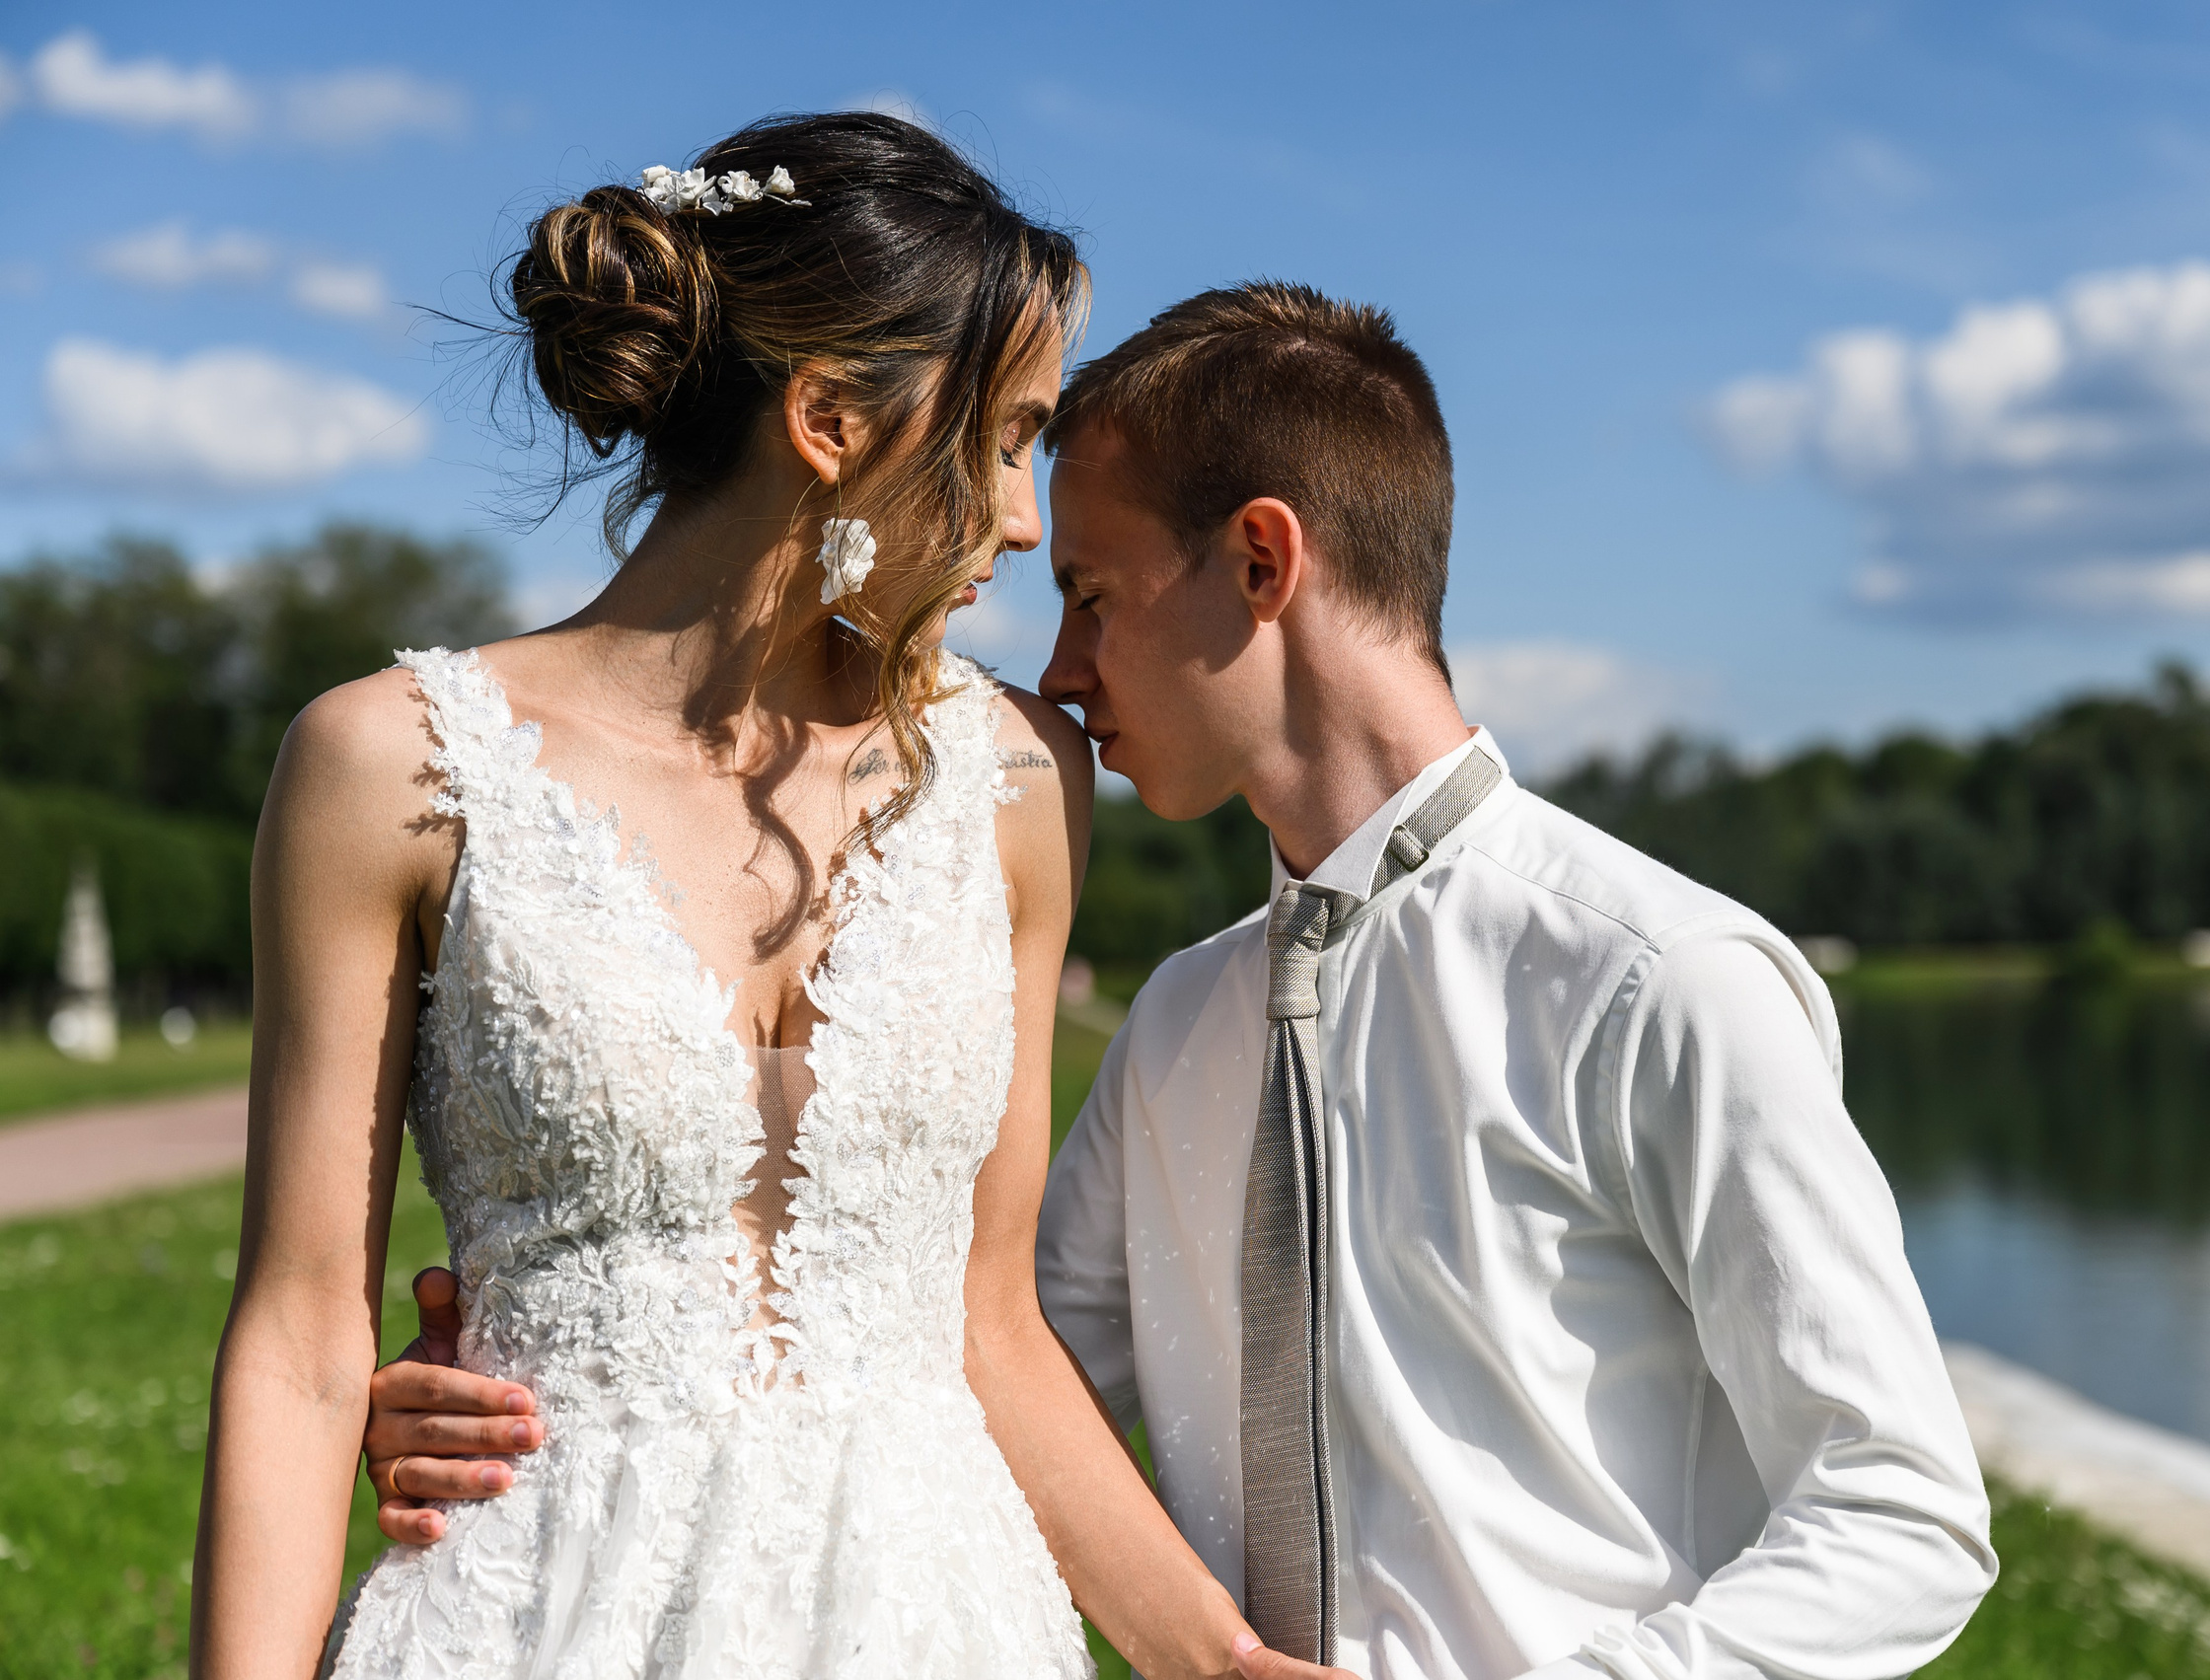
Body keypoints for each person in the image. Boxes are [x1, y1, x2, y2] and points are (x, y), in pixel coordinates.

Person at [361, 282, 1998, 1680]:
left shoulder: (1660, 981)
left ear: (1263, 563)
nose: (1058, 676)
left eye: (1092, 597)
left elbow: (1902, 1510)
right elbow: (943, 1361)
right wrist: (537, 1387)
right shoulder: (1181, 1028)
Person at [190, 111, 1249, 1680]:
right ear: (831, 418)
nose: (1026, 521)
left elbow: (988, 1324)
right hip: (535, 1619)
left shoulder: (1019, 781)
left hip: (936, 1621)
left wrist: (1224, 1663)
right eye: (1008, 438)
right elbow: (298, 1335)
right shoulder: (388, 766)